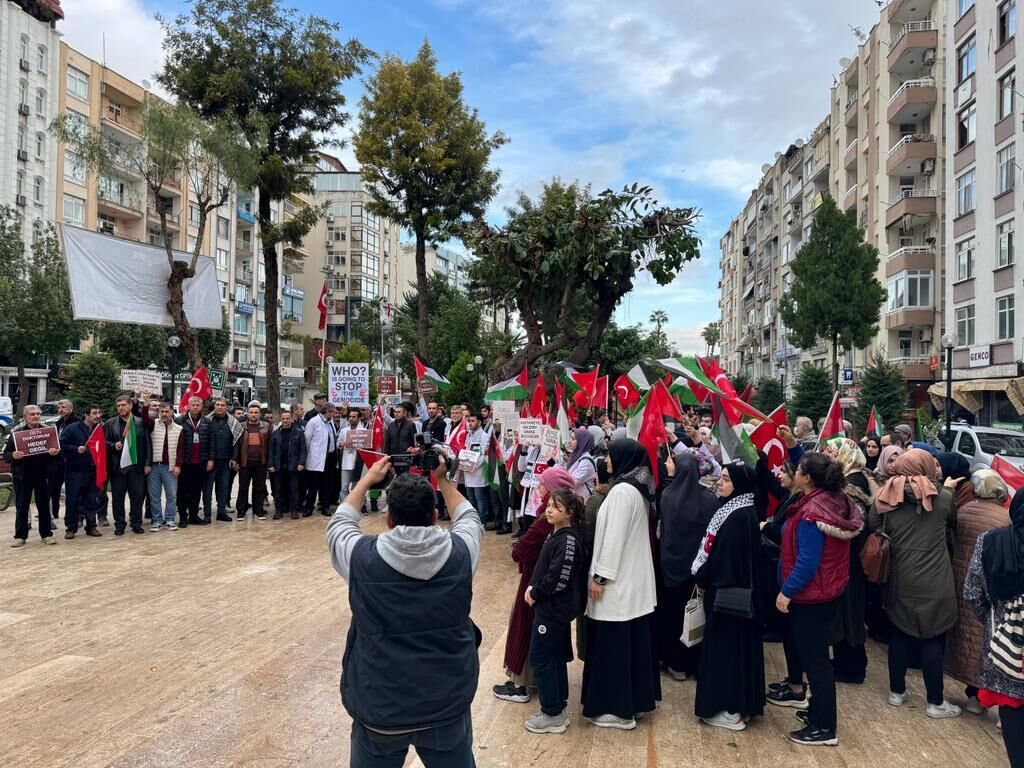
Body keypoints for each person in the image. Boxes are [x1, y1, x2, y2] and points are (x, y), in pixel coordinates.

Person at [326, 453, 483, 767]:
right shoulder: (462, 552)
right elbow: (468, 516)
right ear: (435, 515)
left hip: (379, 704)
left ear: (388, 519)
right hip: (445, 701)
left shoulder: (360, 558)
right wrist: (442, 478)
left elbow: (340, 523)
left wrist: (368, 479)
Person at [775, 453, 863, 747]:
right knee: (816, 658)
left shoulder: (813, 512)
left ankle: (824, 727)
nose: (794, 472)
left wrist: (787, 591)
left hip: (811, 595)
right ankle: (816, 713)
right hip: (828, 590)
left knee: (816, 663)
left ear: (808, 478)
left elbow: (808, 561)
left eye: (798, 469)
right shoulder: (834, 499)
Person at [869, 448, 961, 719]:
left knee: (899, 634)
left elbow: (873, 524)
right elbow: (953, 524)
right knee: (933, 638)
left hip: (900, 577)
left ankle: (897, 693)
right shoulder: (943, 497)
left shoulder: (885, 496)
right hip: (936, 580)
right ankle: (935, 702)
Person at [582, 438, 660, 730]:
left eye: (611, 456)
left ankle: (617, 710)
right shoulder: (635, 490)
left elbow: (612, 539)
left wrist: (601, 577)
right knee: (630, 648)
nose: (607, 461)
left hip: (617, 586)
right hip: (631, 584)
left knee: (613, 651)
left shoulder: (621, 493)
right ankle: (634, 704)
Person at [691, 461, 765, 732]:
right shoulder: (740, 510)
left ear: (740, 484)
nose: (719, 483)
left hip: (727, 600)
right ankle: (738, 706)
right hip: (735, 599)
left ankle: (727, 709)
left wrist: (702, 577)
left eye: (725, 479)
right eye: (720, 477)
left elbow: (724, 561)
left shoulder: (736, 517)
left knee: (725, 656)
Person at [493, 467, 577, 705]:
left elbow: (519, 551)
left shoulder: (544, 523)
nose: (538, 489)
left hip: (535, 584)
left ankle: (521, 684)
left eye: (542, 485)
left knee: (525, 628)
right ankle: (535, 681)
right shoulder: (562, 520)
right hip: (548, 590)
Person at [964, 489, 1024, 767]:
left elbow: (973, 593)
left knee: (1013, 720)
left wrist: (997, 623)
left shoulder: (990, 542)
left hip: (1006, 650)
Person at [523, 489, 588, 734]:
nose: (549, 510)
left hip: (553, 610)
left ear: (569, 513)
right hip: (550, 609)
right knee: (553, 657)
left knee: (539, 658)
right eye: (549, 505)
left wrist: (535, 592)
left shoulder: (568, 540)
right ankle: (557, 707)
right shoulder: (558, 535)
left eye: (556, 507)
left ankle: (551, 713)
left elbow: (559, 578)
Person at [946, 470, 1010, 715]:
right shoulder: (1004, 519)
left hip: (957, 578)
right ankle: (976, 695)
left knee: (960, 634)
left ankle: (953, 680)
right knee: (981, 638)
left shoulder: (963, 511)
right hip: (987, 586)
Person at [656, 452, 718, 681]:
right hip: (694, 569)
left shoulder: (668, 497)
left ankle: (670, 660)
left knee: (670, 615)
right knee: (692, 614)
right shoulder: (710, 500)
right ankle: (690, 662)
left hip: (669, 568)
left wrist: (670, 476)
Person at [823, 438, 874, 685]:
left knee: (849, 614)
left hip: (850, 560)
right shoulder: (856, 479)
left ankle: (852, 667)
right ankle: (847, 661)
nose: (830, 458)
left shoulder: (851, 486)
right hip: (851, 559)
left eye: (833, 453)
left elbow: (852, 525)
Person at [4, 405, 59, 547]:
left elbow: (59, 453)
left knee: (44, 506)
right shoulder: (17, 433)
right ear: (25, 417)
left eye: (37, 413)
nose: (35, 416)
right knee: (22, 506)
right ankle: (20, 536)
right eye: (32, 414)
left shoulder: (48, 432)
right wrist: (13, 455)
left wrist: (55, 453)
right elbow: (6, 454)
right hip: (22, 476)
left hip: (43, 475)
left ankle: (46, 534)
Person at [104, 395, 150, 536]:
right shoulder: (110, 423)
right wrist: (113, 445)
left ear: (130, 405)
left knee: (137, 497)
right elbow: (104, 443)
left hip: (136, 466)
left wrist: (148, 463)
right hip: (118, 467)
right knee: (118, 498)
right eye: (118, 406)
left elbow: (147, 444)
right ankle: (119, 525)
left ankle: (136, 523)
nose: (121, 408)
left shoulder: (140, 422)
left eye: (123, 405)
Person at [147, 402, 184, 531]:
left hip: (170, 467)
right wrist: (146, 404)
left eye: (166, 411)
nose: (164, 414)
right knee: (154, 496)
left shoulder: (179, 428)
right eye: (161, 412)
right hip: (155, 466)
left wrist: (178, 465)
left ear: (172, 412)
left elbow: (181, 449)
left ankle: (170, 519)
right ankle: (157, 520)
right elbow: (145, 419)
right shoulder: (153, 424)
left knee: (172, 495)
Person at [176, 396, 211, 527]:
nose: (195, 407)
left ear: (201, 406)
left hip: (201, 462)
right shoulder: (179, 421)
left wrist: (210, 459)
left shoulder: (207, 422)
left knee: (197, 491)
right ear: (188, 406)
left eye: (198, 404)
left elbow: (211, 442)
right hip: (185, 463)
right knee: (183, 491)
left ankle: (193, 515)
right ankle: (183, 517)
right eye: (193, 404)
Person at [205, 398, 240, 522]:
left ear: (227, 407)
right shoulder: (207, 421)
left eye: (222, 405)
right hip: (210, 461)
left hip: (225, 461)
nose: (220, 407)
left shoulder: (233, 422)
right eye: (218, 405)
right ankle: (207, 514)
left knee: (223, 488)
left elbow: (236, 441)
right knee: (208, 489)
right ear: (214, 406)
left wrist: (234, 458)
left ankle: (221, 512)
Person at [235, 403, 271, 520]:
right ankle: (241, 511)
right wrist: (235, 459)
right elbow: (236, 444)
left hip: (261, 462)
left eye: (256, 412)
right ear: (248, 414)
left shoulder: (266, 426)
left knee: (259, 487)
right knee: (243, 487)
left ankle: (258, 510)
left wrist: (269, 462)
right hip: (245, 461)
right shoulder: (241, 426)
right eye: (251, 412)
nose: (253, 414)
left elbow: (270, 445)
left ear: (260, 414)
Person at [268, 409, 306, 519]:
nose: (285, 421)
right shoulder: (275, 434)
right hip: (279, 466)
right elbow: (271, 451)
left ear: (291, 419)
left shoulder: (299, 433)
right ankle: (279, 510)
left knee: (294, 489)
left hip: (293, 466)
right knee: (278, 490)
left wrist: (301, 463)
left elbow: (303, 450)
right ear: (281, 419)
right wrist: (271, 464)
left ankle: (294, 510)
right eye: (283, 419)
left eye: (287, 418)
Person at [304, 403, 337, 516]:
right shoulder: (314, 422)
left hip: (330, 458)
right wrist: (309, 456)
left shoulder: (330, 421)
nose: (333, 414)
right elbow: (307, 439)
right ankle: (309, 508)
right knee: (313, 485)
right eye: (332, 412)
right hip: (317, 458)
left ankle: (325, 507)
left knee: (327, 485)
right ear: (327, 411)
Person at [47, 399, 77, 523]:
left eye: (63, 407)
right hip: (58, 461)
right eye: (59, 408)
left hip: (72, 460)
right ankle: (54, 512)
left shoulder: (76, 422)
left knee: (72, 490)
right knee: (54, 487)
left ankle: (73, 515)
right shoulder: (58, 423)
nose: (60, 410)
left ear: (71, 408)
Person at [462, 413, 492, 529]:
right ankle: (473, 521)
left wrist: (473, 466)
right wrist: (465, 464)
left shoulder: (484, 436)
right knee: (471, 498)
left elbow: (484, 455)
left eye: (473, 421)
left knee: (480, 499)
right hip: (468, 472)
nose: (470, 423)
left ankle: (482, 521)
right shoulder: (468, 435)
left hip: (478, 473)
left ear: (479, 422)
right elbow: (465, 450)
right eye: (469, 421)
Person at [564, 426, 597, 501]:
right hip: (574, 501)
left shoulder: (586, 462)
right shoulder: (576, 456)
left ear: (582, 442)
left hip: (582, 503)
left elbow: (572, 482)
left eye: (573, 439)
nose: (569, 441)